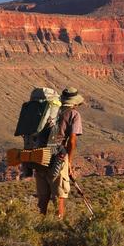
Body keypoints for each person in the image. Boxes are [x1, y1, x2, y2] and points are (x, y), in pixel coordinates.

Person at [35, 87, 84, 218]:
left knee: (43, 199)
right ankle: (58, 226)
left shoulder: (50, 111)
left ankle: (38, 226)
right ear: (74, 101)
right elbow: (72, 141)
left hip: (39, 157)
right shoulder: (73, 114)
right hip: (57, 157)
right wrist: (69, 163)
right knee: (59, 196)